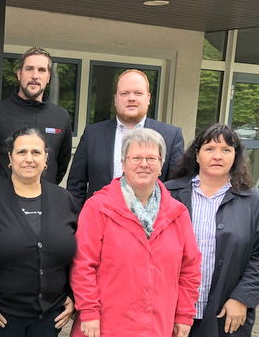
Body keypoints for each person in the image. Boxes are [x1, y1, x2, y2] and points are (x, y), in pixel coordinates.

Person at [70, 128, 201, 337]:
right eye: (136, 157)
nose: (144, 164)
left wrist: (184, 316)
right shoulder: (98, 207)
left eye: (151, 158)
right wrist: (88, 311)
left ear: (161, 165)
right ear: (123, 164)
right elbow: (82, 264)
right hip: (105, 325)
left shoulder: (178, 213)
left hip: (157, 326)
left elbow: (190, 270)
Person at [165, 123, 259, 337]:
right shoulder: (169, 194)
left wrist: (243, 298)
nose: (218, 156)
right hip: (170, 310)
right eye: (210, 149)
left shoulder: (256, 202)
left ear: (235, 156)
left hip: (226, 312)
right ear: (197, 155)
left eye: (226, 150)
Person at [0, 128, 77, 337]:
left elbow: (79, 255)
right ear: (10, 158)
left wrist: (73, 295)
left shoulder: (63, 199)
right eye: (21, 152)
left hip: (50, 318)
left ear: (46, 158)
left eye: (36, 152)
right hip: (0, 318)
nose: (29, 159)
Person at [67, 69, 184, 210]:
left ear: (148, 98)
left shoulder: (170, 136)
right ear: (115, 99)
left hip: (150, 226)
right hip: (100, 222)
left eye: (138, 93)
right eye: (125, 93)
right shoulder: (93, 134)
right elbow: (75, 185)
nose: (131, 98)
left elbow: (176, 188)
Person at [0, 47, 72, 185]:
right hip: (2, 202)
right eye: (29, 69)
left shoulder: (61, 117)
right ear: (19, 74)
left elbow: (61, 165)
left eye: (41, 70)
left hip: (46, 202)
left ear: (48, 77)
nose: (35, 76)